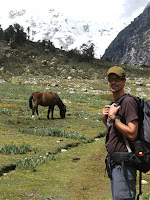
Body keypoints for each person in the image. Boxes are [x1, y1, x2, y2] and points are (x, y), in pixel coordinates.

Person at [102, 66, 139, 200]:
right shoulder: (115, 103)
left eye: (117, 79)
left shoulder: (128, 102)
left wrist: (113, 118)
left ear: (124, 81)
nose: (113, 82)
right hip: (115, 164)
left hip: (124, 165)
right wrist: (105, 119)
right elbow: (116, 131)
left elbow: (132, 133)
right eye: (110, 79)